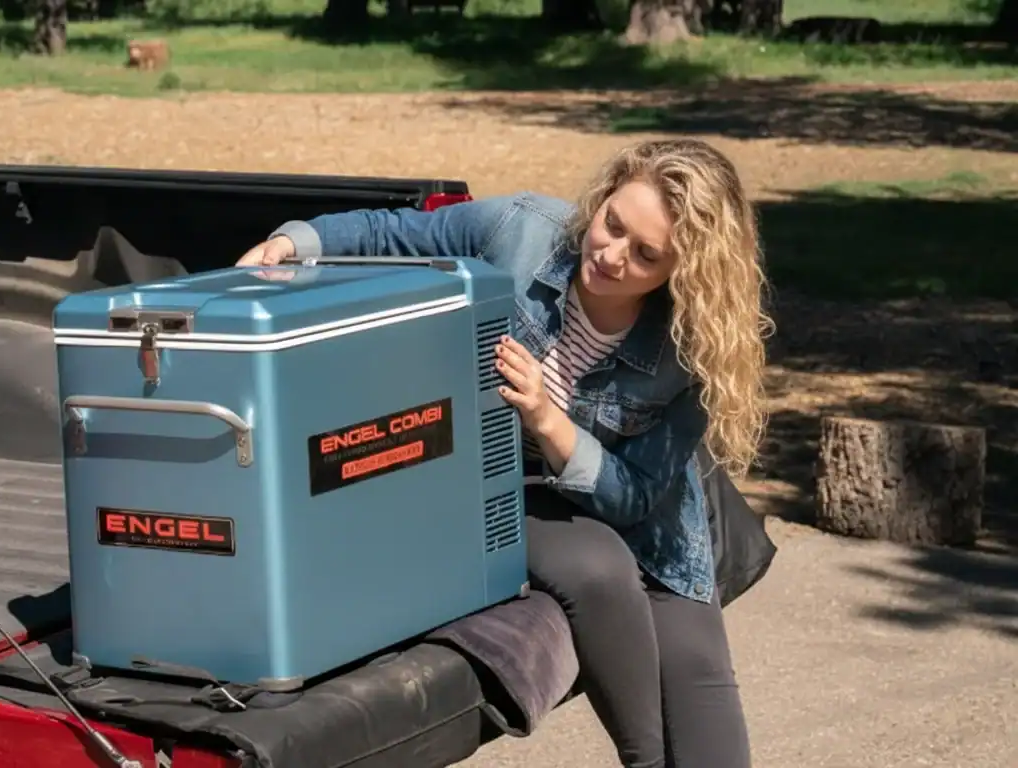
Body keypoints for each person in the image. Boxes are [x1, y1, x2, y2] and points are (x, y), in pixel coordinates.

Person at [236, 138, 773, 768]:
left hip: (643, 519)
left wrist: (548, 417)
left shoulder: (690, 344)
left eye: (646, 254)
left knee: (704, 694)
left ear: (681, 272)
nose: (610, 254)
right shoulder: (522, 229)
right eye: (612, 223)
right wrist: (294, 243)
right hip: (508, 484)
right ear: (601, 198)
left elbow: (634, 497)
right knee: (606, 594)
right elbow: (396, 233)